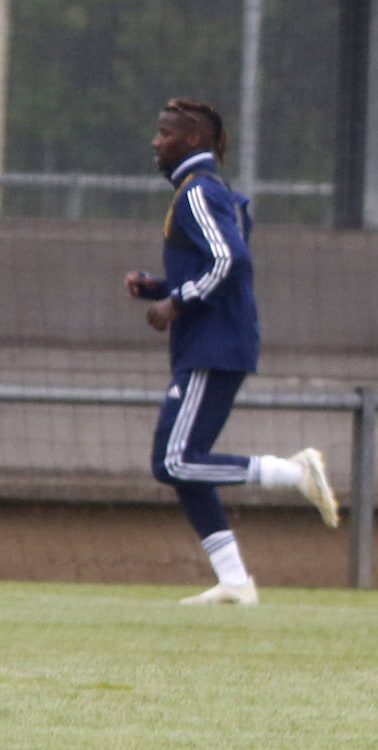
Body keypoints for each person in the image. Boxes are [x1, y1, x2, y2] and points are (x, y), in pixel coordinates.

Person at [125, 97, 339, 606]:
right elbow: (214, 268)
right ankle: (235, 582)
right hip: (219, 342)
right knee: (188, 466)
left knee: (173, 462)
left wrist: (175, 303)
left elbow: (229, 260)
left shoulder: (197, 190)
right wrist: (158, 288)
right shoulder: (205, 190)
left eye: (165, 133)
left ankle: (296, 473)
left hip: (212, 346)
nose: (156, 142)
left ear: (192, 140)